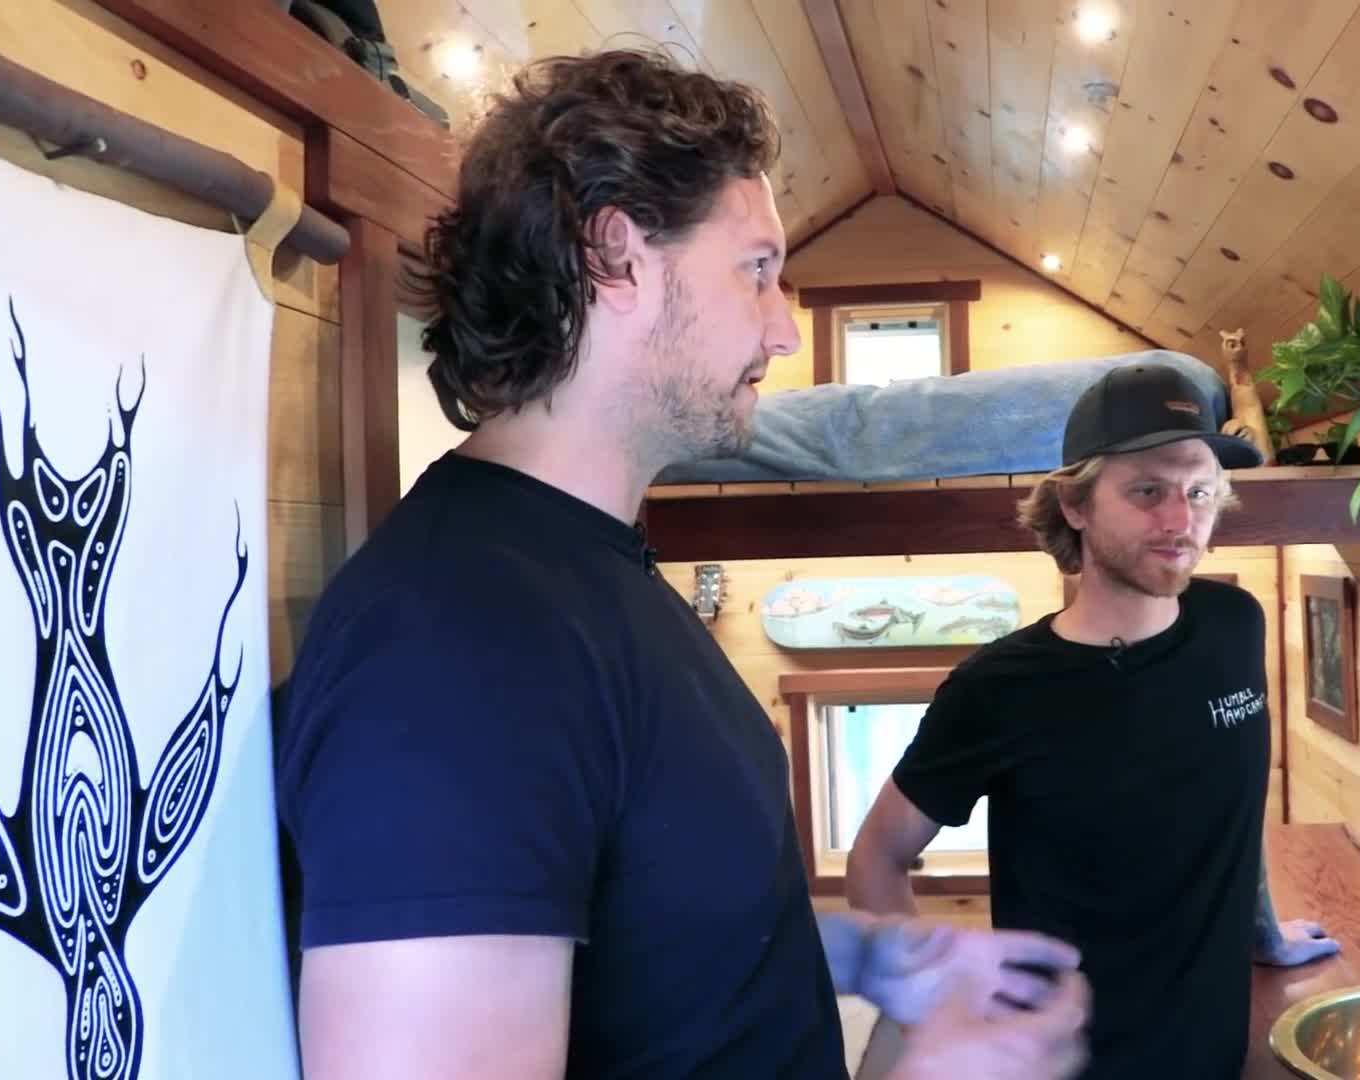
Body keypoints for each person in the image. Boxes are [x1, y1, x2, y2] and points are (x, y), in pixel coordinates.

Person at [272, 48, 1091, 1080]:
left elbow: (653, 933)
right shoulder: (450, 647)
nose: (784, 329)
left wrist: (863, 957)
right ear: (616, 255)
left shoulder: (588, 571)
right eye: (757, 269)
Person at [844, 362, 1342, 1077]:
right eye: (1148, 491)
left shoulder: (1235, 625)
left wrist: (1264, 933)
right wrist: (938, 1005)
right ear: (1075, 505)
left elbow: (1230, 814)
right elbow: (876, 856)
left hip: (1216, 1053)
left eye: (1199, 491)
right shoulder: (998, 688)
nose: (1181, 521)